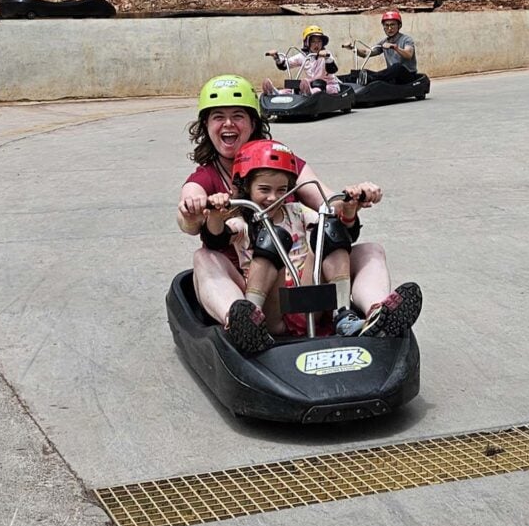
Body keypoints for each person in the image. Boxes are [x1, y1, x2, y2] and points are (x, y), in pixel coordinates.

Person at [177, 74, 422, 354]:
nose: (229, 124)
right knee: (205, 257)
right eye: (218, 117)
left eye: (238, 116)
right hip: (251, 284)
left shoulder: (282, 162)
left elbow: (328, 206)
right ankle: (241, 321)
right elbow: (189, 219)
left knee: (367, 249)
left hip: (304, 279)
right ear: (206, 125)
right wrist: (196, 208)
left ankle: (375, 315)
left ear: (253, 123)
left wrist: (354, 198)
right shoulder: (207, 180)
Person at [203, 139, 372, 352]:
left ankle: (343, 314)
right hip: (272, 309)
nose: (272, 197)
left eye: (281, 190)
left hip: (307, 302)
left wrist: (350, 207)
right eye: (264, 189)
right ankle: (250, 322)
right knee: (273, 238)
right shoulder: (242, 223)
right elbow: (216, 238)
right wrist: (216, 213)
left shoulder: (297, 212)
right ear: (246, 187)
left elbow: (335, 226)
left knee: (328, 230)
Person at [262, 25, 342, 97]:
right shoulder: (303, 56)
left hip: (328, 86)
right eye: (313, 41)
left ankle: (309, 93)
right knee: (295, 87)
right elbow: (284, 65)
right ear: (307, 43)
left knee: (319, 86)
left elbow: (332, 69)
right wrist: (276, 58)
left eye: (319, 41)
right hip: (311, 85)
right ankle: (276, 93)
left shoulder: (326, 54)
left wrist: (326, 58)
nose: (316, 45)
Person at [343, 10, 418, 85]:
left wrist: (395, 47)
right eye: (386, 25)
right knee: (364, 72)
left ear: (399, 26)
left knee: (397, 67)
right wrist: (353, 48)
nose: (389, 28)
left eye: (392, 25)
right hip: (393, 76)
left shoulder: (406, 39)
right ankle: (342, 80)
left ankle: (370, 79)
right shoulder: (384, 42)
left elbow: (409, 54)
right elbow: (367, 53)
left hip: (408, 76)